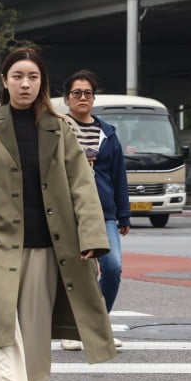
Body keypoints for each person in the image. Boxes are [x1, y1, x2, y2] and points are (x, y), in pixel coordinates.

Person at [0, 46, 115, 381]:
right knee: (3, 317)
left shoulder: (59, 126)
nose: (25, 84)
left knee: (37, 323)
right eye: (17, 77)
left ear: (42, 83)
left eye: (33, 77)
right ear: (4, 81)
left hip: (48, 241)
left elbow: (81, 184)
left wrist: (91, 235)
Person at [59, 69, 130, 352]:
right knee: (78, 274)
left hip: (104, 212)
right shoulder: (59, 129)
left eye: (88, 93)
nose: (82, 98)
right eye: (77, 93)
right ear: (67, 99)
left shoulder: (107, 133)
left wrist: (123, 214)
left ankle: (97, 326)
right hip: (69, 212)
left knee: (112, 269)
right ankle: (73, 329)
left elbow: (118, 175)